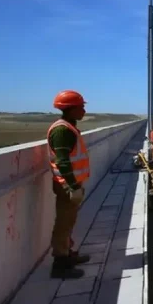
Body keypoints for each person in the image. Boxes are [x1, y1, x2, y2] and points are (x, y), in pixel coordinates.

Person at [47, 90, 92, 279]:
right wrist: (72, 186)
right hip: (66, 185)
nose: (84, 110)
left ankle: (67, 254)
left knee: (69, 221)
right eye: (81, 107)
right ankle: (60, 265)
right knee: (63, 224)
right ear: (70, 109)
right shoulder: (62, 130)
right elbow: (63, 162)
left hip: (70, 184)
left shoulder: (69, 127)